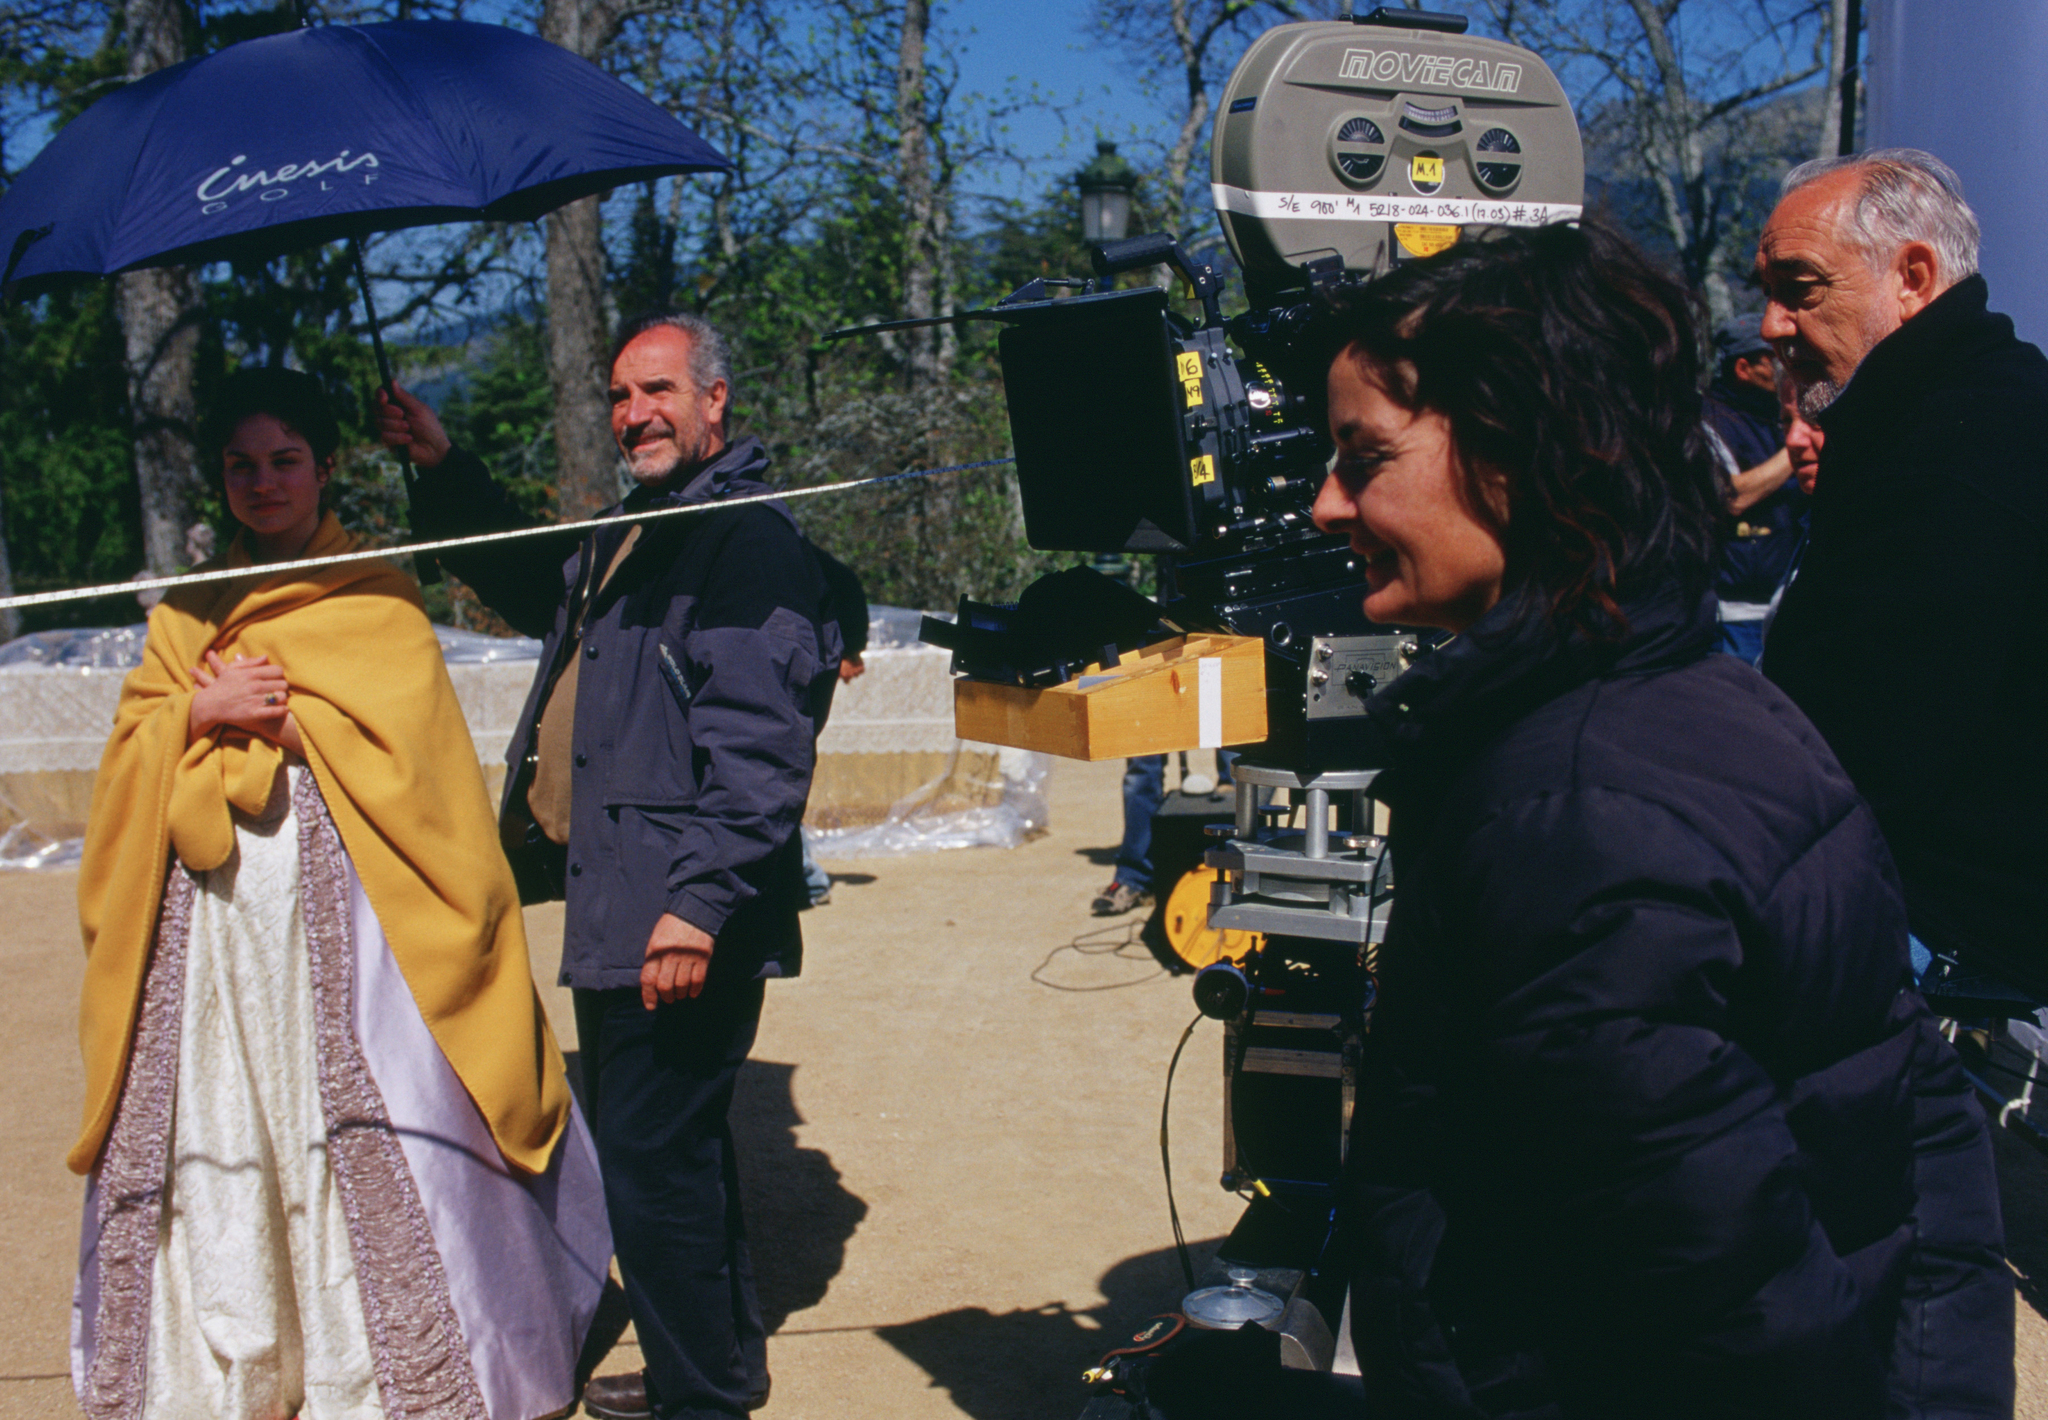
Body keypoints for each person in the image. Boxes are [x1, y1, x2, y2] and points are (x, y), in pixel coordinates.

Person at [1152, 220, 2011, 1419]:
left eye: (1363, 457)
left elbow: (1726, 1297)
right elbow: (1919, 1146)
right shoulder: (1706, 703)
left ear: (1516, 458)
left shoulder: (1573, 816)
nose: (1320, 505)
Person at [72, 367, 611, 1420]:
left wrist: (293, 726)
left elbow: (416, 758)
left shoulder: (372, 592)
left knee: (369, 1112)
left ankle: (387, 1365)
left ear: (324, 467)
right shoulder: (187, 613)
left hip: (359, 923)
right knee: (229, 1115)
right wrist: (195, 711)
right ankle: (237, 1355)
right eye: (242, 465)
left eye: (284, 461)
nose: (264, 482)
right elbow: (127, 758)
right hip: (218, 927)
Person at [377, 311, 841, 1420]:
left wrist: (694, 906)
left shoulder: (743, 542)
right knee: (674, 1150)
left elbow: (760, 756)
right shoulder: (650, 525)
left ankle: (701, 1401)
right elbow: (541, 583)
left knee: (648, 1160)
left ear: (715, 401)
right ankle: (712, 1372)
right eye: (624, 394)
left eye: (660, 391)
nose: (635, 412)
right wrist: (445, 467)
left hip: (669, 910)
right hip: (624, 892)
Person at [1755, 149, 2048, 1000]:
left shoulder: (1954, 457)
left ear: (1912, 277)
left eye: (1801, 288)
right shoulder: (1969, 412)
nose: (1772, 325)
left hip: (1952, 954)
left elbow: (1858, 752)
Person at [1703, 314, 1805, 662]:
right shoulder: (1707, 420)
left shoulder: (1773, 416)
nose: (1784, 362)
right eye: (1772, 357)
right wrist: (1800, 447)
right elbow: (1731, 496)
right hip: (1733, 615)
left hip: (1783, 604)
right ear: (1742, 368)